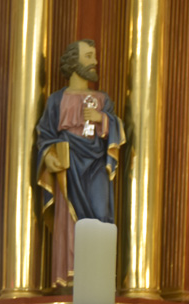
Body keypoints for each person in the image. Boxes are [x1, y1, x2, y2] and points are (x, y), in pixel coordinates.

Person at [36, 39, 124, 287]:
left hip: (96, 166)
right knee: (69, 218)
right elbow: (44, 134)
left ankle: (98, 278)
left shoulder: (102, 99)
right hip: (69, 165)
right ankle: (69, 275)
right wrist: (49, 156)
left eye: (94, 56)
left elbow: (117, 129)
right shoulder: (56, 100)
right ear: (73, 62)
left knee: (100, 214)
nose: (95, 62)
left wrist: (101, 118)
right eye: (88, 56)